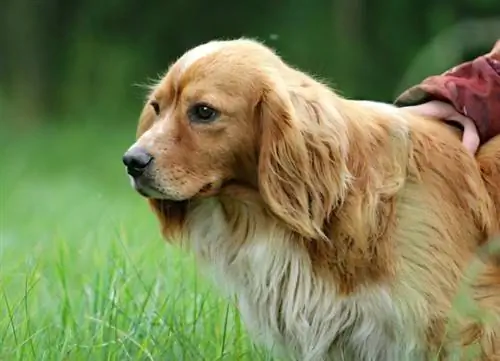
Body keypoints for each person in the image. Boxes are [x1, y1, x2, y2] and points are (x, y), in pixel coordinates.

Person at [395, 40, 500, 154]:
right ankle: (462, 166)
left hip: (463, 100)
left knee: (440, 112)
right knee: (470, 133)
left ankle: (391, 114)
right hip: (466, 104)